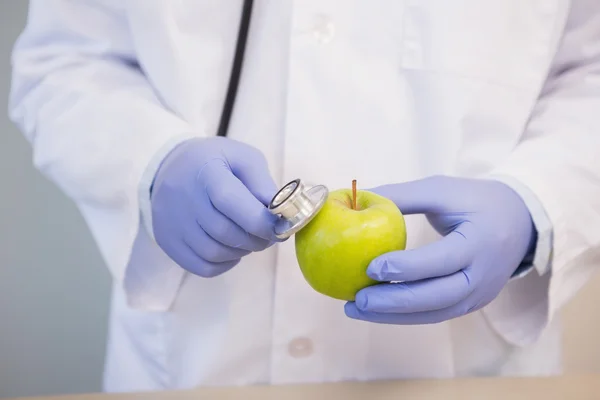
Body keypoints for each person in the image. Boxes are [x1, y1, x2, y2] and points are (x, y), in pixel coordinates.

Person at [8, 0, 600, 393]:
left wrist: (536, 204)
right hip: (197, 359)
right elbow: (64, 62)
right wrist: (148, 162)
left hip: (464, 367)